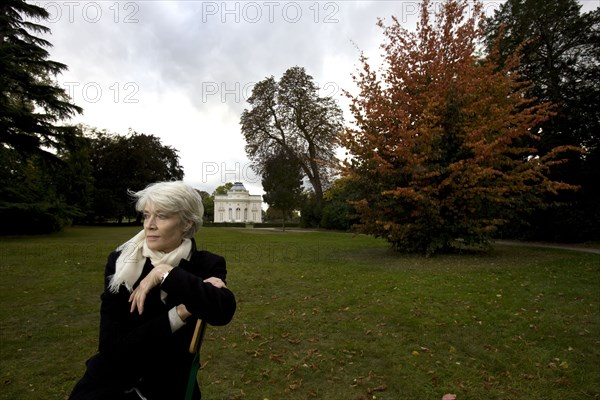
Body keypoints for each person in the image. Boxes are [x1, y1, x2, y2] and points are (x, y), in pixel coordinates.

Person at [69, 181, 236, 400]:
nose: (149, 225)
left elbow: (222, 311)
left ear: (186, 223)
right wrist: (179, 313)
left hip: (170, 387)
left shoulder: (205, 264)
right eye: (147, 215)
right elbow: (113, 349)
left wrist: (164, 273)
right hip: (108, 386)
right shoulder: (121, 263)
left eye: (162, 216)